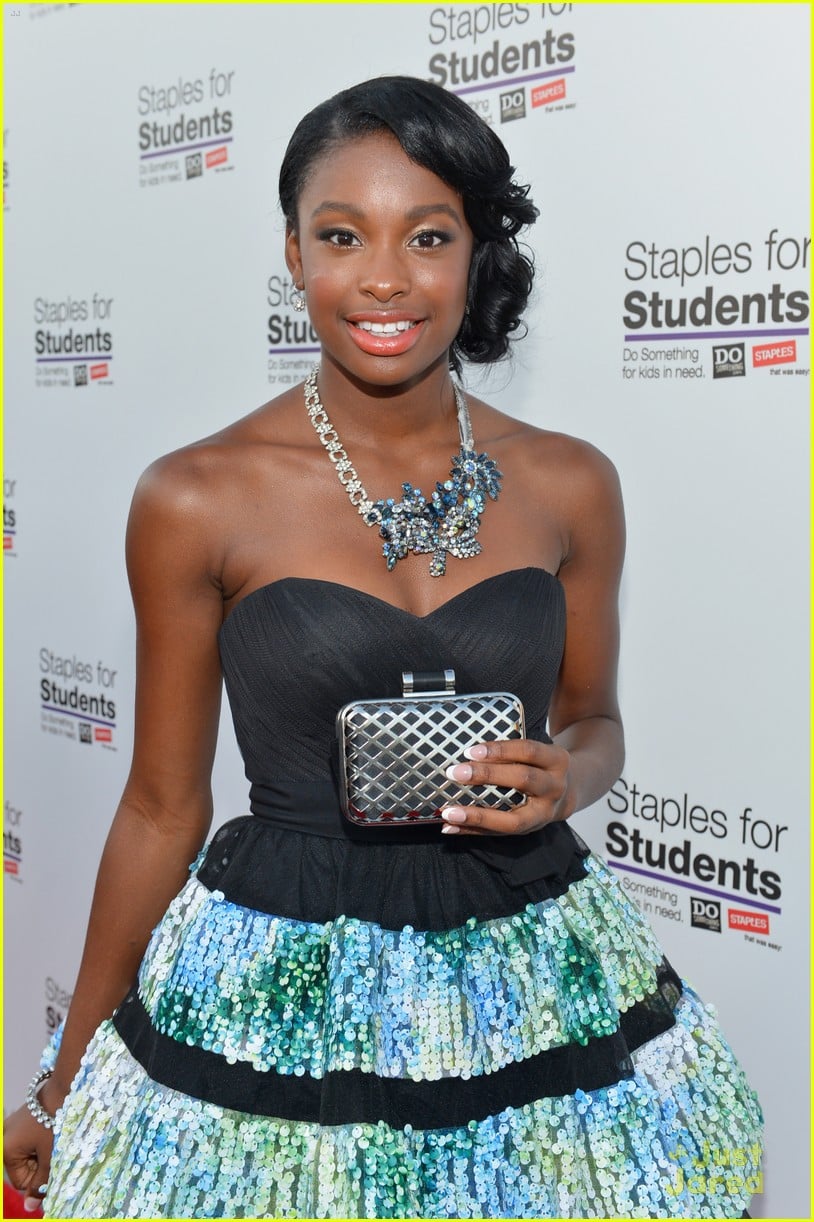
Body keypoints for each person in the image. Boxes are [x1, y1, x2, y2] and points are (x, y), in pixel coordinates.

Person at [4, 75, 762, 1220]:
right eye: (341, 235)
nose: (386, 280)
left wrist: (569, 774)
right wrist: (62, 1089)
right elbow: (162, 807)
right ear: (294, 252)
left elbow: (595, 721)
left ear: (476, 254)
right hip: (283, 980)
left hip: (525, 961)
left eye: (429, 236)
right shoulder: (194, 497)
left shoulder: (570, 481)